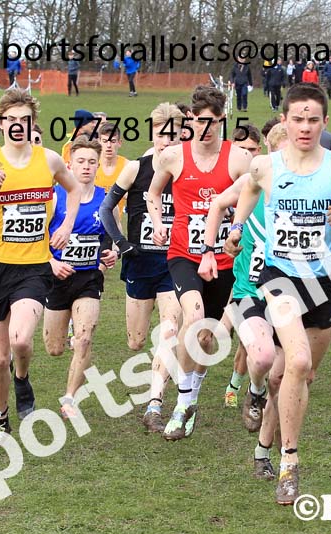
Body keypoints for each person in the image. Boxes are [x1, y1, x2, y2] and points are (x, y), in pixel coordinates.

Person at [227, 82, 331, 504]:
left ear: (324, 122)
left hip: (325, 283)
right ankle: (290, 463)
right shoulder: (266, 166)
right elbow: (249, 191)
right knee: (294, 360)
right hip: (279, 278)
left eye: (313, 119)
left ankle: (263, 444)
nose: (305, 126)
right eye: (297, 118)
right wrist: (238, 227)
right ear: (284, 121)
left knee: (296, 375)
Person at [0, 89, 81, 446]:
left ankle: (23, 377)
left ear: (32, 123)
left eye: (23, 119)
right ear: (2, 123)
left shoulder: (49, 161)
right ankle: (1, 423)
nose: (17, 125)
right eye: (10, 119)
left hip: (34, 267)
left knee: (21, 340)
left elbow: (74, 192)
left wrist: (66, 225)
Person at [147, 86, 253, 441]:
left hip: (225, 260)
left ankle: (192, 393)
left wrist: (236, 230)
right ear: (190, 120)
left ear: (222, 120)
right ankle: (182, 403)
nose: (205, 128)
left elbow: (252, 198)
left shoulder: (238, 159)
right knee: (191, 320)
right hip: (183, 255)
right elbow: (153, 193)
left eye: (211, 122)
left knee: (206, 338)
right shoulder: (173, 157)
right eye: (198, 121)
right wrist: (159, 221)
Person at [202, 124, 289, 477]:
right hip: (249, 289)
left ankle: (263, 453)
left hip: (294, 292)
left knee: (283, 380)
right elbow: (218, 203)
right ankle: (251, 392)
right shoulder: (252, 181)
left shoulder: (314, 187)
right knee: (262, 356)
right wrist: (217, 243)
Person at [98, 103, 183, 433]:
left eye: (173, 135)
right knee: (135, 341)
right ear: (153, 133)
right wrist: (120, 243)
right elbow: (107, 209)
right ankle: (160, 361)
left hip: (173, 262)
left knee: (170, 328)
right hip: (139, 262)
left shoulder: (186, 171)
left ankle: (155, 401)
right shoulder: (135, 168)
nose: (167, 141)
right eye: (162, 134)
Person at [43, 136, 117, 418]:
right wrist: (51, 263)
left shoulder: (106, 200)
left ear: (98, 165)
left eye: (92, 162)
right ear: (69, 164)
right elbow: (38, 239)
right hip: (57, 278)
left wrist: (111, 256)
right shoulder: (54, 196)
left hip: (88, 278)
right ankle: (69, 327)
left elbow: (111, 239)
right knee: (54, 349)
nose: (86, 167)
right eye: (81, 161)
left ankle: (69, 399)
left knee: (84, 339)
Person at [222, 122, 264, 407]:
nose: (246, 154)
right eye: (241, 149)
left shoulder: (262, 181)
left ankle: (236, 386)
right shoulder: (228, 180)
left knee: (247, 338)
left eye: (251, 149)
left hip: (248, 270)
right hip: (218, 265)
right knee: (219, 335)